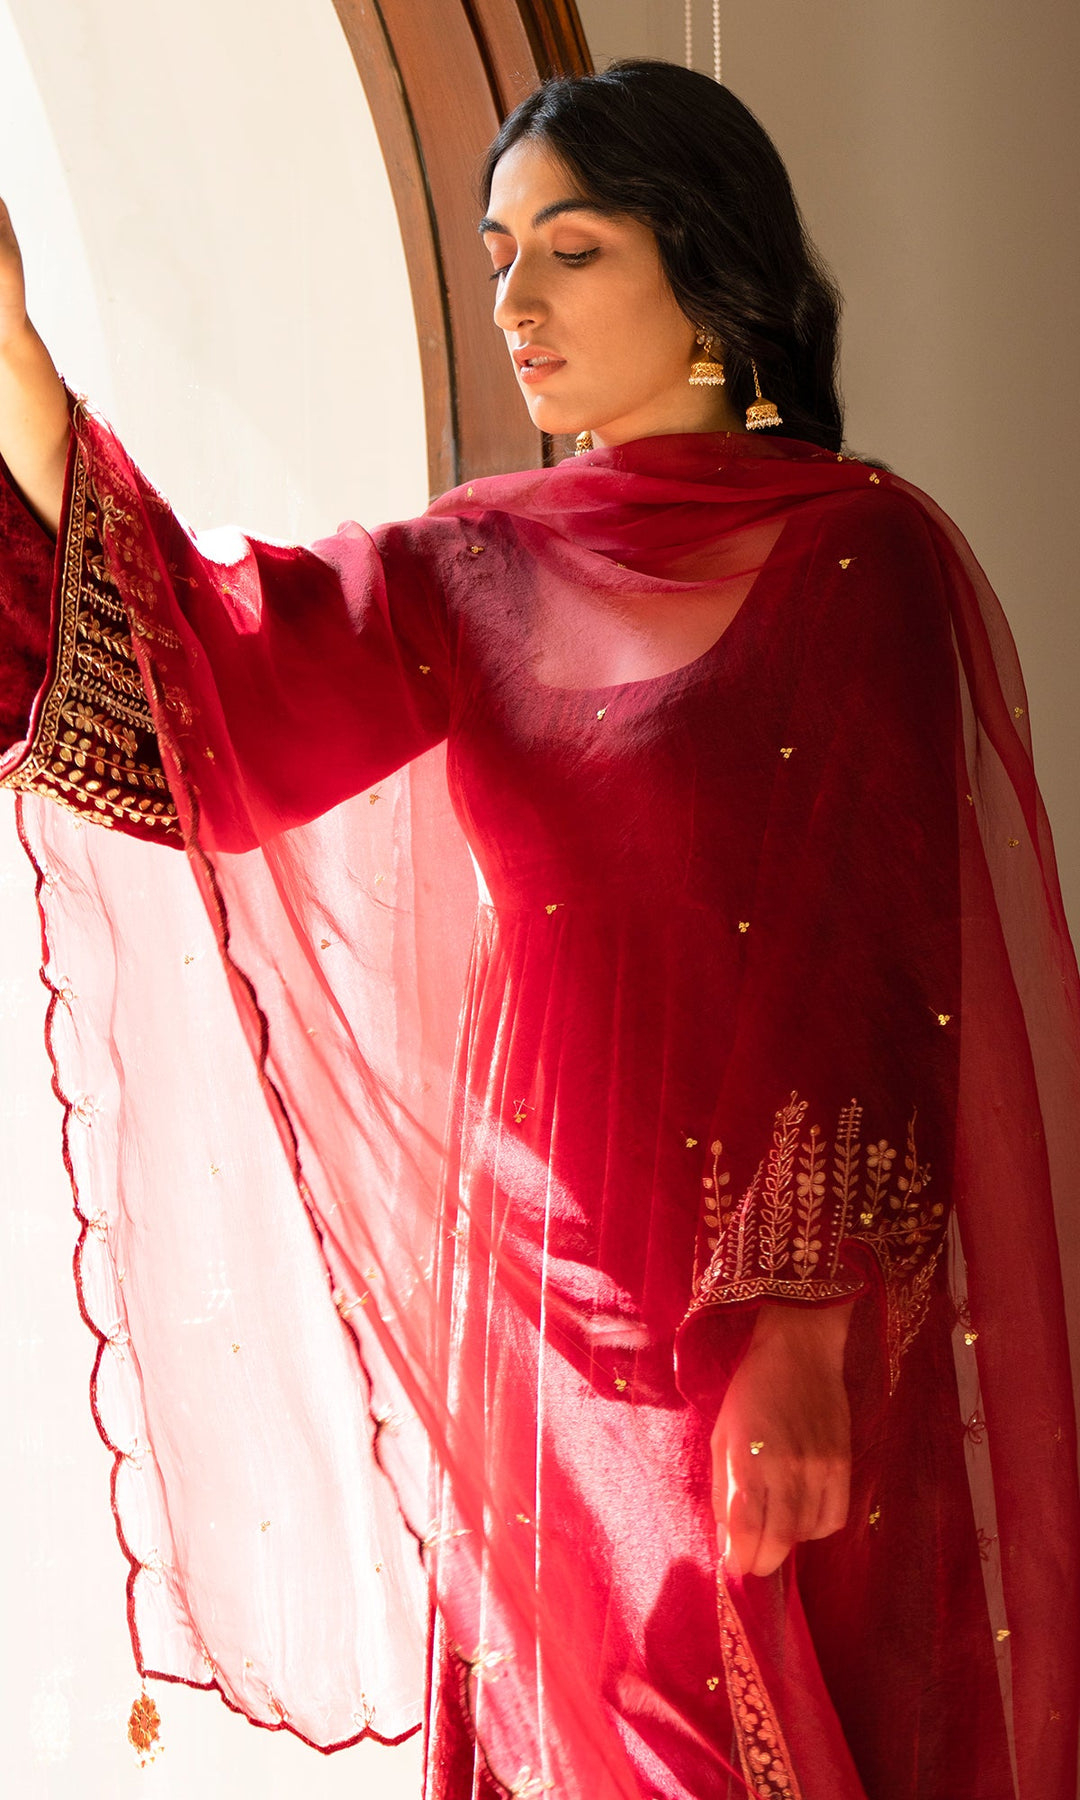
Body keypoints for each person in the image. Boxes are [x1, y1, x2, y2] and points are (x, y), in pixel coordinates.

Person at [0, 58, 1077, 1800]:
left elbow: (880, 961)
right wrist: (13, 360)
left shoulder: (857, 556)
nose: (515, 301)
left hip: (762, 1292)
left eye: (571, 251)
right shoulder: (477, 566)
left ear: (706, 264)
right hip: (538, 1299)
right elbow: (214, 692)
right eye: (499, 256)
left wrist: (803, 1332)